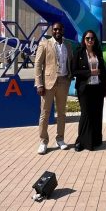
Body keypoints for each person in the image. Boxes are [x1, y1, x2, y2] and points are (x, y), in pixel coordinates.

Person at [34, 22, 73, 154]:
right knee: (44, 114)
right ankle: (43, 141)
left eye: (59, 29)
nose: (57, 31)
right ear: (52, 30)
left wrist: (70, 76)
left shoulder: (68, 45)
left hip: (63, 82)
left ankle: (60, 139)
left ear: (63, 30)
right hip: (48, 84)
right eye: (55, 29)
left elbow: (71, 61)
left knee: (61, 113)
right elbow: (38, 64)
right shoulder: (45, 44)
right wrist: (39, 84)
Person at [72, 30, 106, 151]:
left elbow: (103, 69)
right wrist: (90, 72)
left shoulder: (98, 52)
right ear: (84, 40)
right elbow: (74, 71)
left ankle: (96, 140)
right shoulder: (79, 52)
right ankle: (81, 141)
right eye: (88, 38)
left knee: (97, 114)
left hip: (97, 88)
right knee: (86, 114)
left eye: (92, 38)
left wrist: (101, 73)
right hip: (85, 88)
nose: (90, 40)